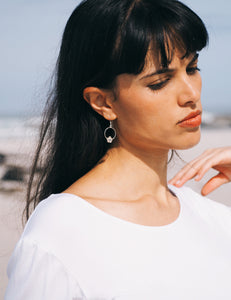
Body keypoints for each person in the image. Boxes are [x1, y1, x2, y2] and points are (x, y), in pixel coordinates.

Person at [5, 0, 231, 299]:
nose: (191, 94)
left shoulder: (214, 219)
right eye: (160, 82)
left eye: (192, 68)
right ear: (103, 102)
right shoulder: (60, 234)